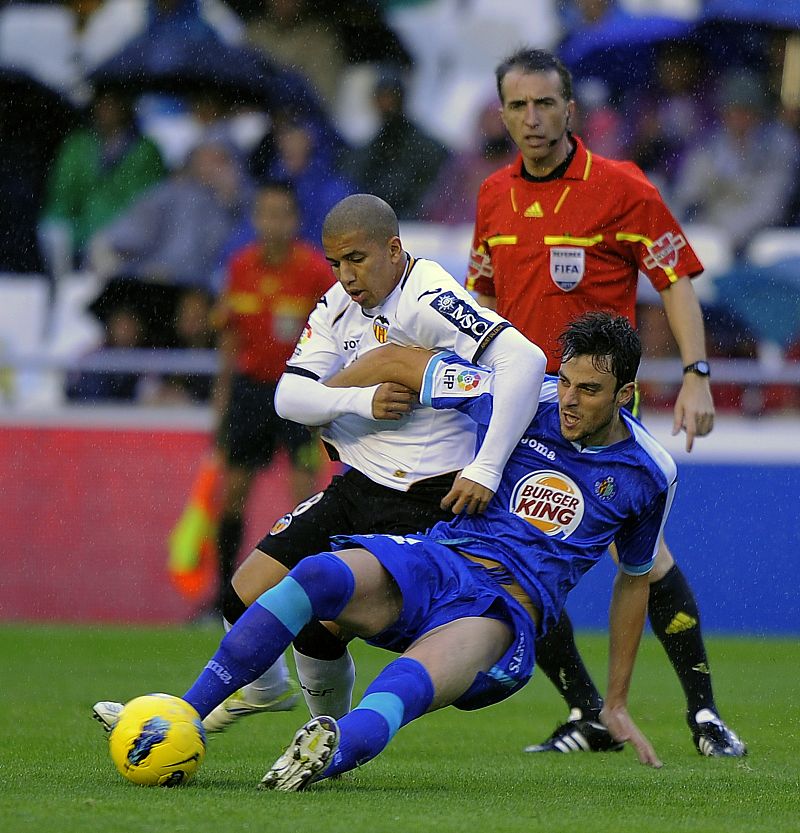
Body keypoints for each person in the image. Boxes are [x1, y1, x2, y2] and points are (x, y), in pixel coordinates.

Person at [149, 311, 667, 791]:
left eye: (590, 391)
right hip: (440, 561)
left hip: (504, 611)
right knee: (316, 578)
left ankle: (330, 751)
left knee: (407, 684)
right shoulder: (523, 398)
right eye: (568, 381)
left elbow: (635, 578)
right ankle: (182, 715)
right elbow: (404, 361)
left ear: (625, 395)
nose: (570, 400)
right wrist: (328, 399)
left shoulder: (650, 472)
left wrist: (616, 701)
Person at [93, 192, 546, 731]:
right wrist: (361, 399)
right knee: (244, 593)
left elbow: (527, 359)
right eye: (336, 262)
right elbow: (289, 396)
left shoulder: (430, 297)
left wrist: (486, 467)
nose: (347, 275)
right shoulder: (336, 304)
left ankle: (314, 735)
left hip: (428, 497)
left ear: (394, 250)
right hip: (357, 486)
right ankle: (264, 692)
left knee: (319, 621)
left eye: (357, 259)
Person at [466, 47, 745, 758]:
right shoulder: (492, 195)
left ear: (571, 109)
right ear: (502, 115)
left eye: (544, 104)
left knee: (646, 562)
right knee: (524, 559)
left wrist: (697, 371)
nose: (532, 118)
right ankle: (591, 711)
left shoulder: (621, 188)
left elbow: (675, 278)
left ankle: (705, 716)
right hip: (522, 417)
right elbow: (482, 299)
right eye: (518, 106)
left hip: (598, 415)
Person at [205, 179, 334, 618]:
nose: (272, 223)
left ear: (296, 219)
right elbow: (229, 342)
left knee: (304, 500)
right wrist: (221, 407)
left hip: (298, 392)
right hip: (251, 393)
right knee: (233, 494)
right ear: (255, 217)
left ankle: (307, 601)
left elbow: (335, 341)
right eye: (265, 213)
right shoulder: (241, 266)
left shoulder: (315, 272)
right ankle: (224, 598)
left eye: (281, 213)